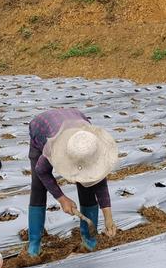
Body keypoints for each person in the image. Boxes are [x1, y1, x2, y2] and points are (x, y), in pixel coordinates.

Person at [27, 109, 118, 256]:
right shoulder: (52, 146)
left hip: (76, 122)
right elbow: (41, 171)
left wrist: (109, 218)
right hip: (42, 128)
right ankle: (34, 244)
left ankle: (89, 241)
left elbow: (99, 182)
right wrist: (62, 199)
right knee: (38, 187)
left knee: (87, 182)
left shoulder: (89, 143)